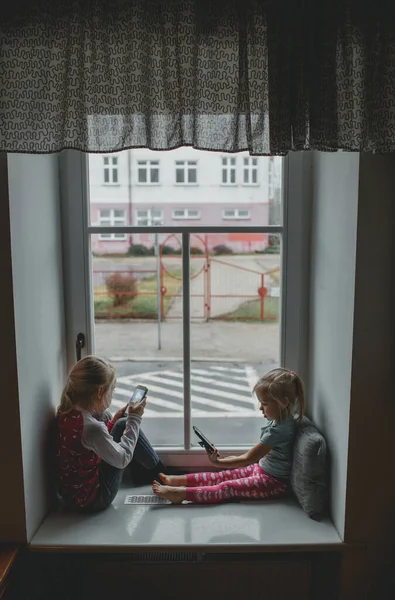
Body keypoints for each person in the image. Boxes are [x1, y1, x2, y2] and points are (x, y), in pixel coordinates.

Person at [152, 368, 305, 505]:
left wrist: (218, 462)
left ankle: (181, 494)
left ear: (284, 403)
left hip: (273, 483)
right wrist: (225, 461)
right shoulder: (281, 421)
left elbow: (248, 458)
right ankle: (178, 480)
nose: (260, 408)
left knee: (227, 487)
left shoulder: (279, 431)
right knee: (225, 475)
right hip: (262, 469)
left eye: (264, 404)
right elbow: (252, 457)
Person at [55, 355, 164, 511]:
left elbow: (89, 444)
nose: (112, 396)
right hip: (94, 499)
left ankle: (148, 472)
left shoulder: (67, 413)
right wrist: (134, 418)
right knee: (123, 424)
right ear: (100, 391)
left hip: (72, 495)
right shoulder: (92, 428)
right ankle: (160, 474)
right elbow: (123, 459)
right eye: (111, 391)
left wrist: (112, 423)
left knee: (106, 417)